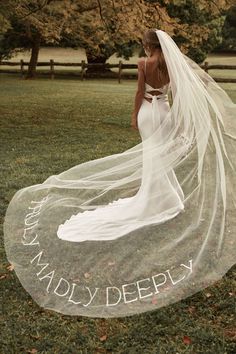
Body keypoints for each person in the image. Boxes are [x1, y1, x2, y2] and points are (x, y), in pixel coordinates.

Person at [3, 29, 236, 319]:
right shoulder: (172, 66)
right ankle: (164, 198)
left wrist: (134, 116)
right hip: (163, 112)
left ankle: (158, 198)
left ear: (148, 46)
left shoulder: (143, 64)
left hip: (148, 113)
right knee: (158, 159)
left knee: (152, 159)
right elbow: (176, 94)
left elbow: (140, 91)